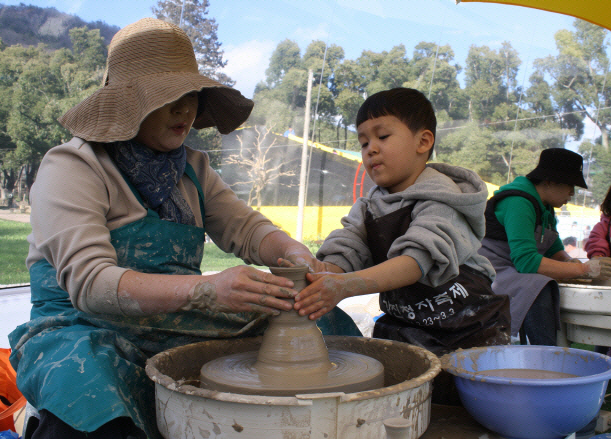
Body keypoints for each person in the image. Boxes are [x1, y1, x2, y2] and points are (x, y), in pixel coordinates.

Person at [8, 18, 359, 439]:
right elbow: (90, 285)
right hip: (81, 326)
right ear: (126, 103)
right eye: (168, 96)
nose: (185, 109)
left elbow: (247, 229)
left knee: (324, 326)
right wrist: (206, 290)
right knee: (93, 397)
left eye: (191, 94)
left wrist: (296, 254)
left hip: (175, 322)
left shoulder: (192, 168)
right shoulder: (73, 166)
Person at [293, 88, 511, 402]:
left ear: (423, 142)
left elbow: (415, 262)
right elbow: (345, 250)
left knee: (465, 411)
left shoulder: (442, 197)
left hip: (469, 326)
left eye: (382, 136)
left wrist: (343, 286)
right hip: (408, 324)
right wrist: (315, 274)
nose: (371, 150)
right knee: (404, 400)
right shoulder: (369, 206)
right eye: (364, 142)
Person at [478, 148, 611, 346]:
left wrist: (570, 262)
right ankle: (544, 352)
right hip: (489, 270)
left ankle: (555, 348)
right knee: (538, 286)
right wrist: (583, 269)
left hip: (513, 267)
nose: (572, 194)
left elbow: (554, 250)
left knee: (552, 282)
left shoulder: (546, 208)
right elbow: (526, 262)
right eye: (570, 186)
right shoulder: (519, 202)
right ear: (549, 181)